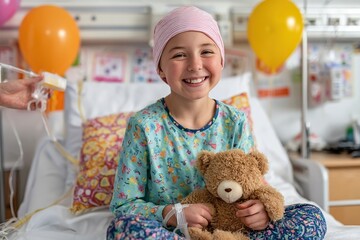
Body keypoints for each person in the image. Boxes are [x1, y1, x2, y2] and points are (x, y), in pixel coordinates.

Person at [107, 5, 327, 239]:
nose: (195, 64)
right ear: (161, 69)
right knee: (124, 228)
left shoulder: (235, 121)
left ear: (221, 60)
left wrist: (260, 209)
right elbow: (123, 206)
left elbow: (251, 185)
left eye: (207, 52)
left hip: (232, 229)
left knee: (311, 216)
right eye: (179, 54)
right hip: (169, 232)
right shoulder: (143, 126)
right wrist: (172, 214)